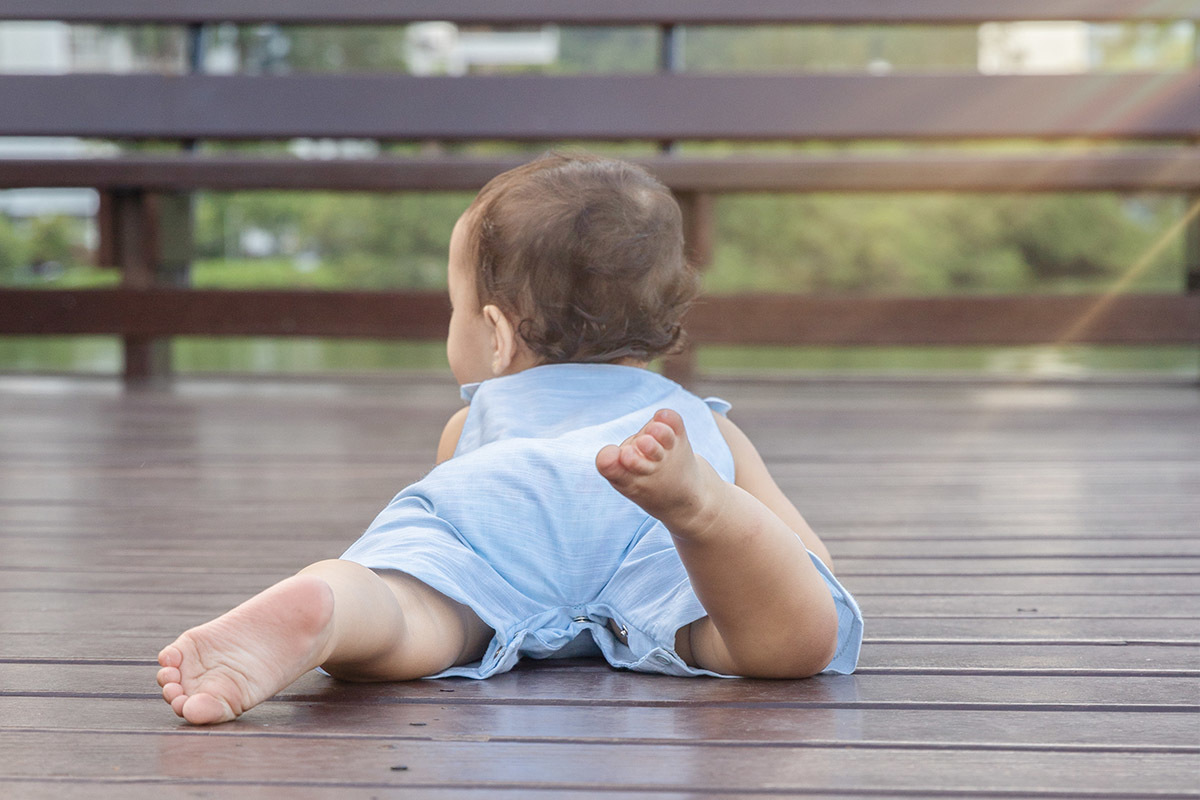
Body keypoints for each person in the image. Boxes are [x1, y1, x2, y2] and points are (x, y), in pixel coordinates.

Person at [156, 152, 863, 725]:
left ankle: (336, 604)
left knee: (421, 608)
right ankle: (706, 513)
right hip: (654, 522)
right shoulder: (693, 424)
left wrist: (429, 577)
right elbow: (809, 555)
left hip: (506, 518)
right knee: (779, 638)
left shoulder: (473, 422)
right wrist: (703, 510)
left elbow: (462, 542)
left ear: (495, 336)